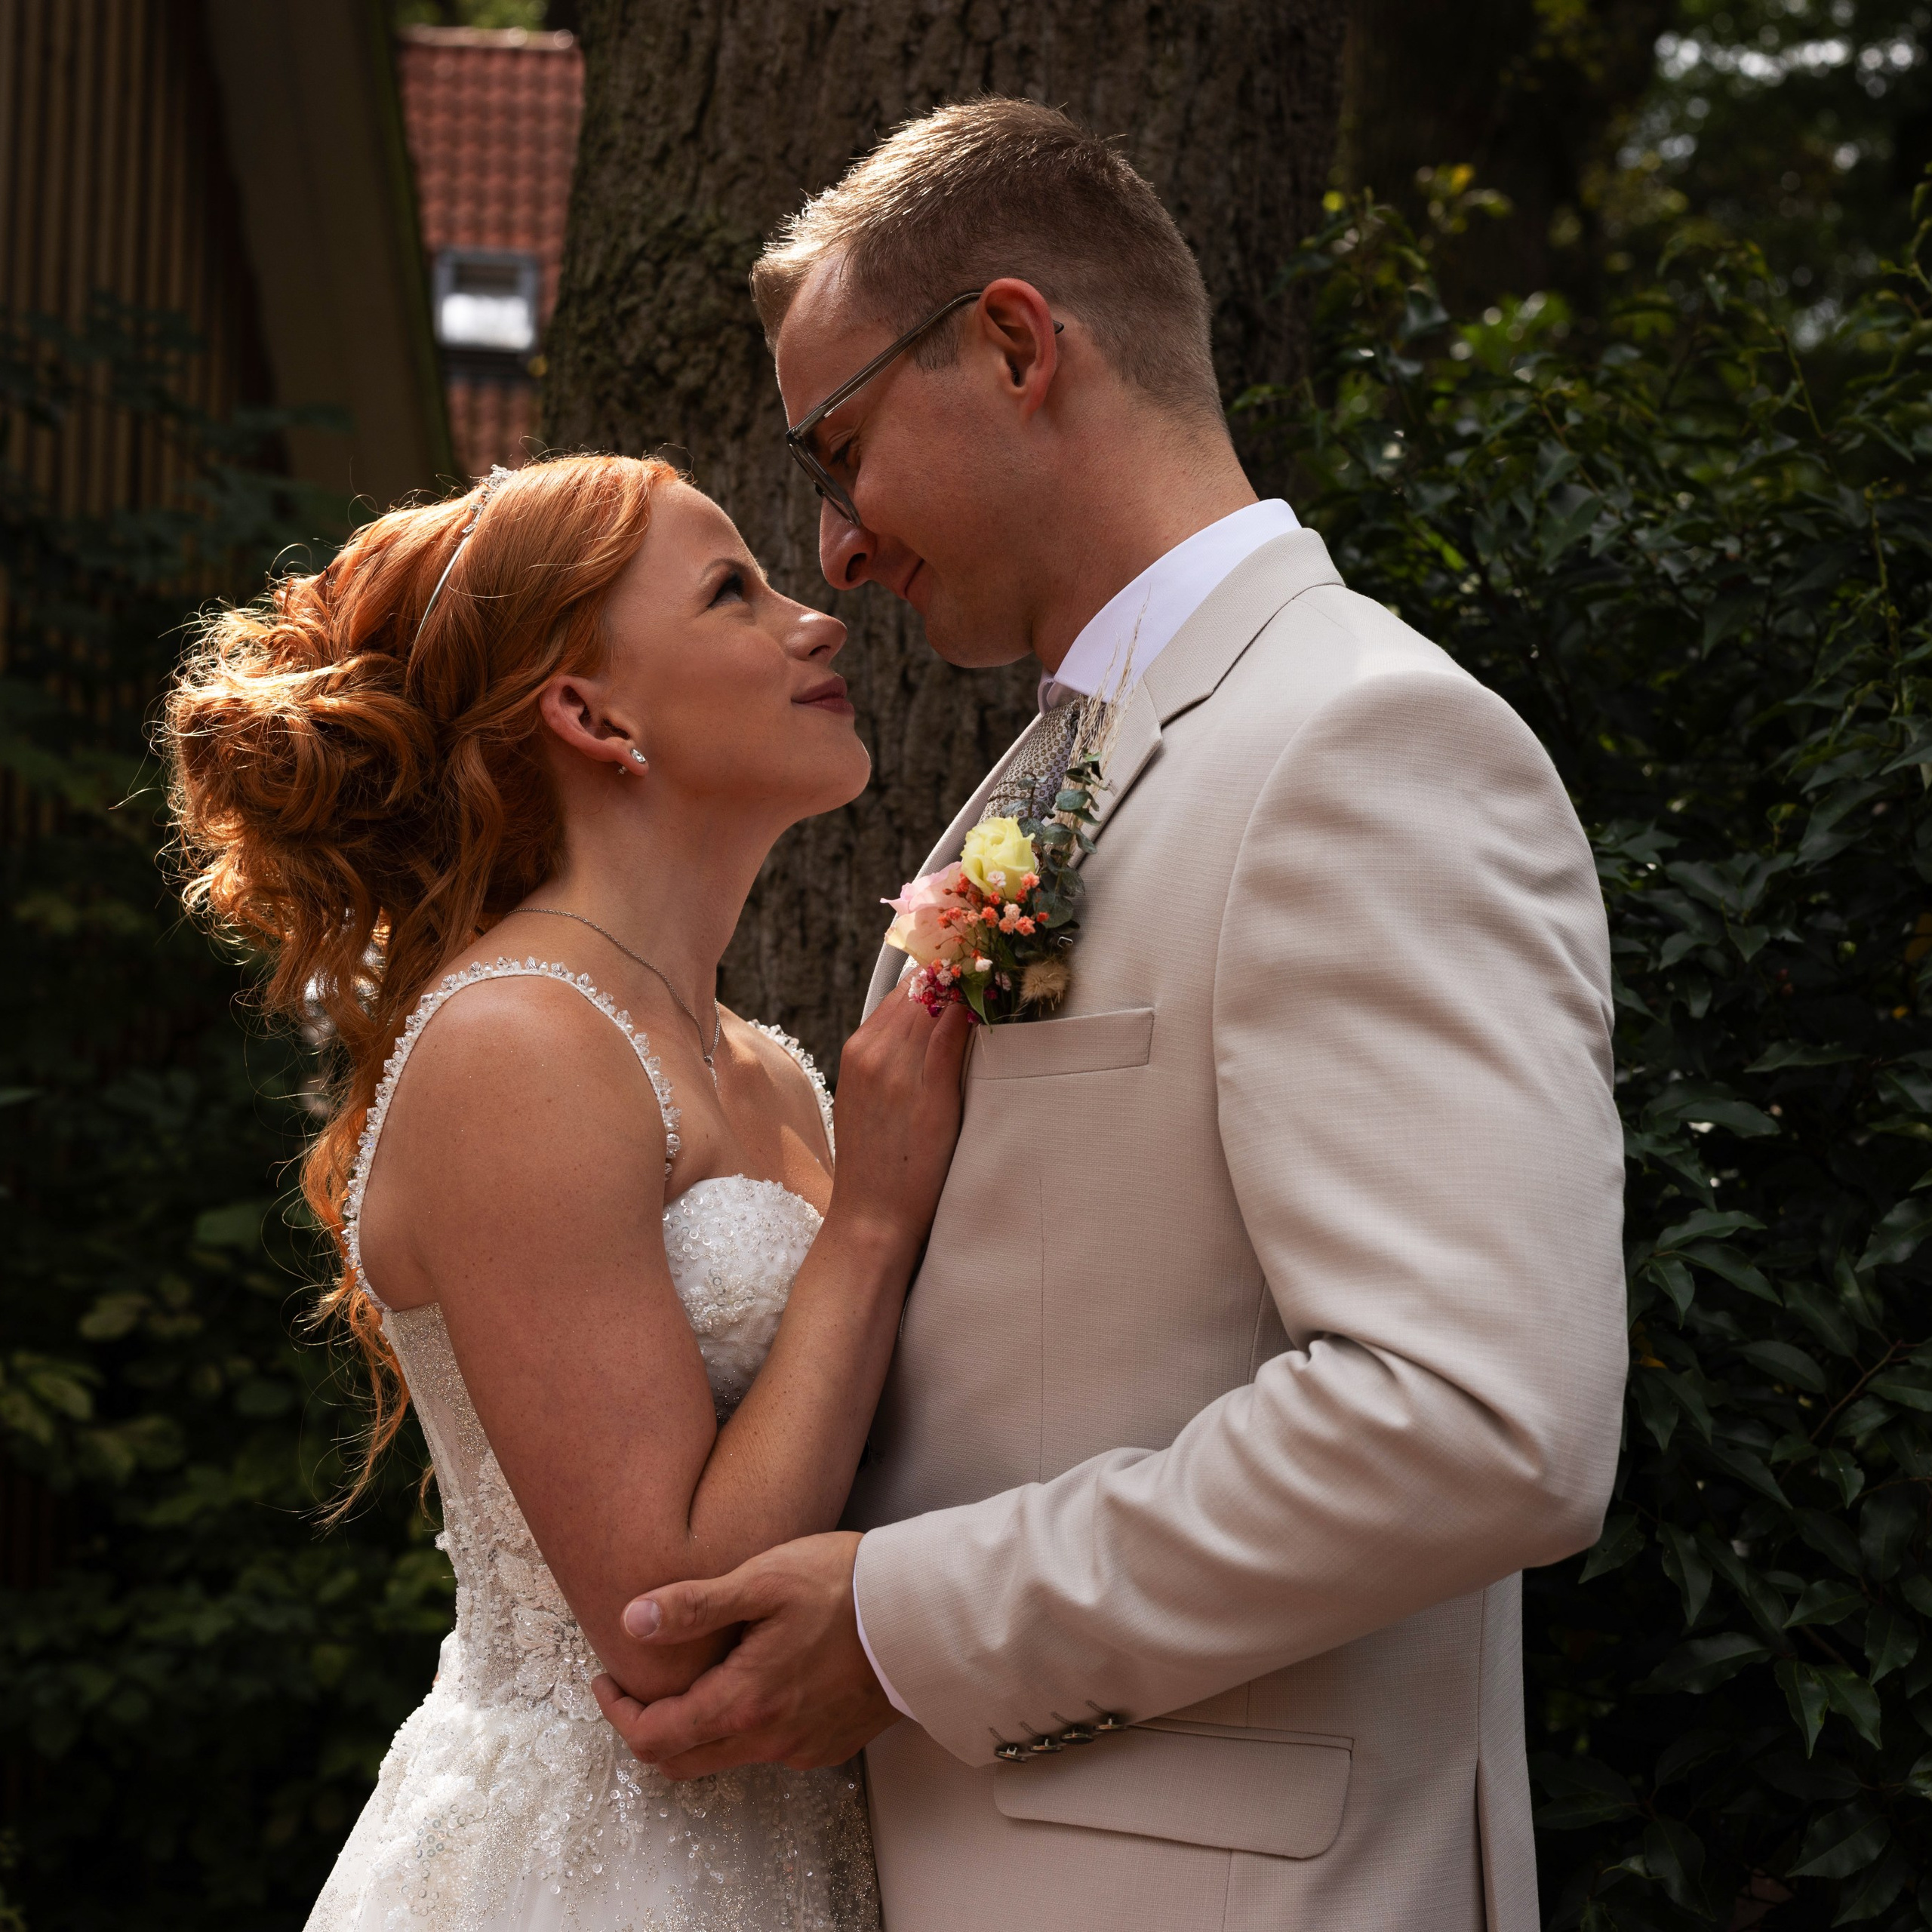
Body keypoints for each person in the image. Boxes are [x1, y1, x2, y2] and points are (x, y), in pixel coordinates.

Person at [593, 100, 1629, 1932]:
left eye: (839, 450)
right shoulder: (1035, 776)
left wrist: (910, 1622)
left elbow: (1477, 1415)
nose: (833, 549)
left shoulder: (1357, 741)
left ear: (1011, 344)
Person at [164, 453, 969, 1930]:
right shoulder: (515, 1042)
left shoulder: (772, 1072)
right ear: (592, 716)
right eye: (735, 589)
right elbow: (665, 1624)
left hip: (814, 1843)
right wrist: (870, 1222)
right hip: (594, 1867)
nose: (817, 621)